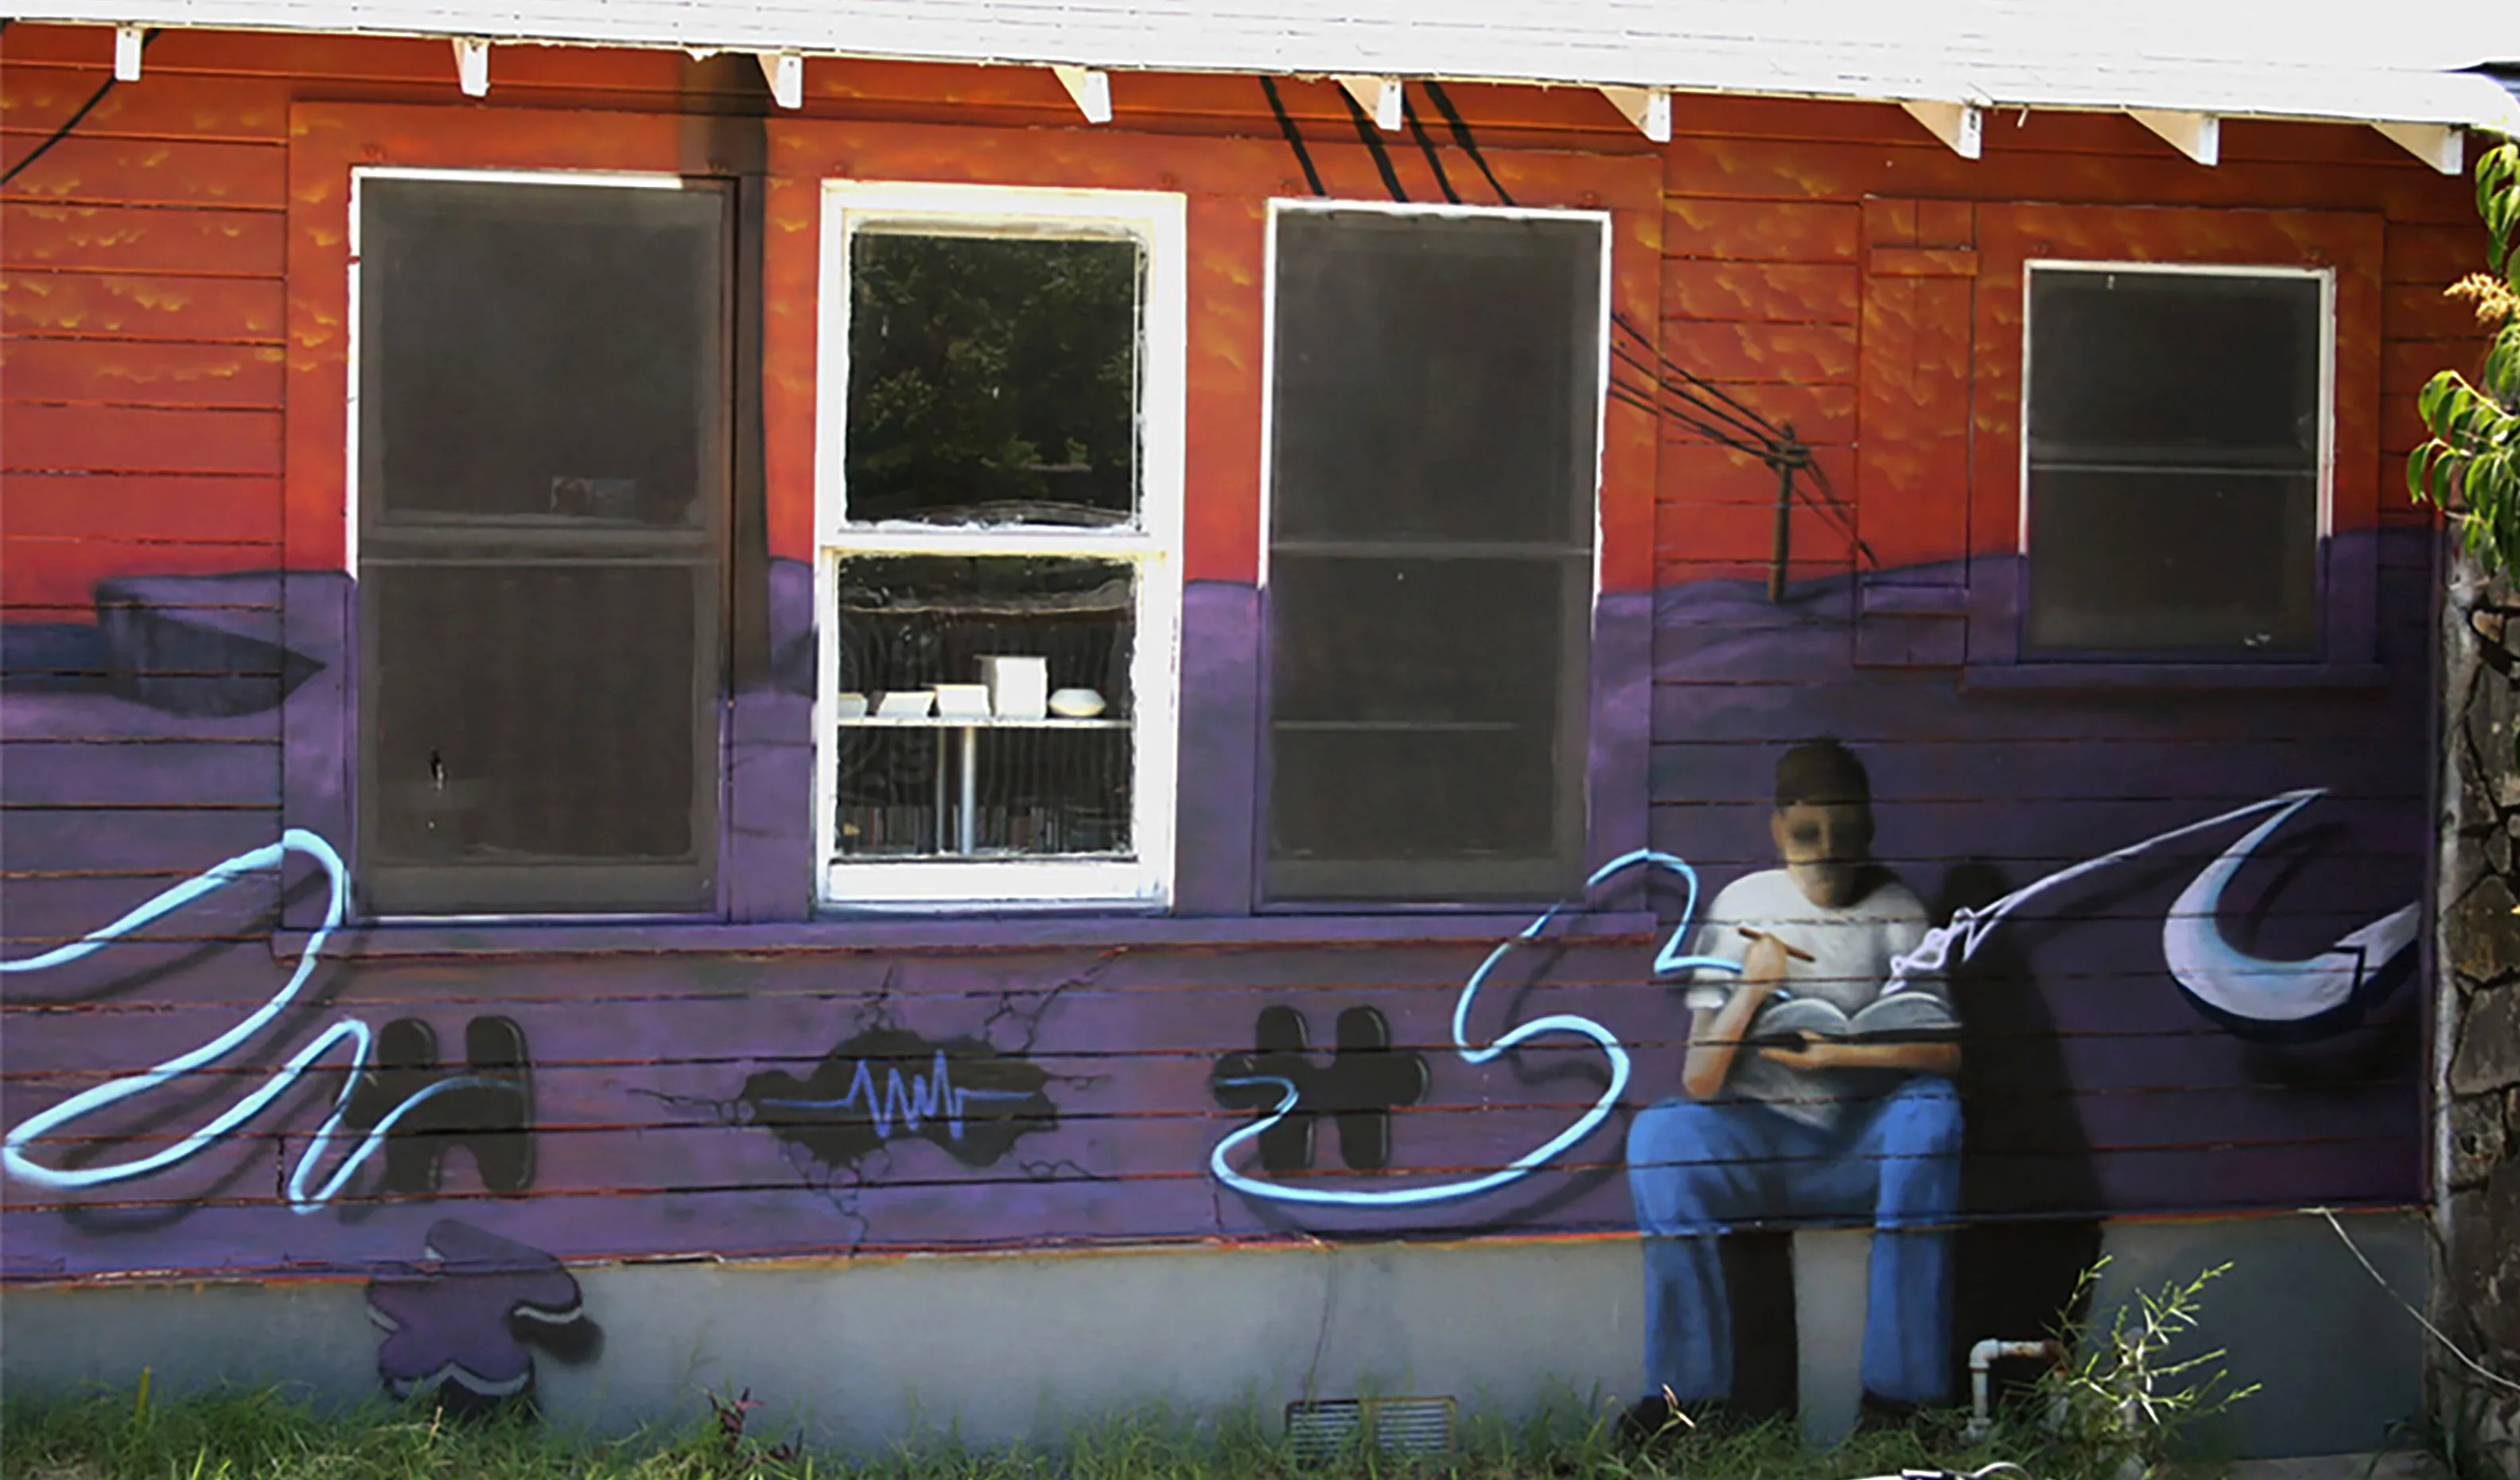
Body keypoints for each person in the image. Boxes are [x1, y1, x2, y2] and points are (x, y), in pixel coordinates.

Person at [1624, 738, 1963, 1427]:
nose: (1827, 851)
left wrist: (1837, 1056)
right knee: (1661, 1136)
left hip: (1862, 1145)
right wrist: (1752, 991)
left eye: (1845, 832)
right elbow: (1699, 1078)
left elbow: (1946, 1051)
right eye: (1808, 834)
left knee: (1933, 1113)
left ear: (1868, 828)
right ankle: (1687, 1402)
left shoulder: (1897, 910)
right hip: (1764, 1143)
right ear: (1779, 830)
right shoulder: (1743, 905)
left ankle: (1902, 1399)